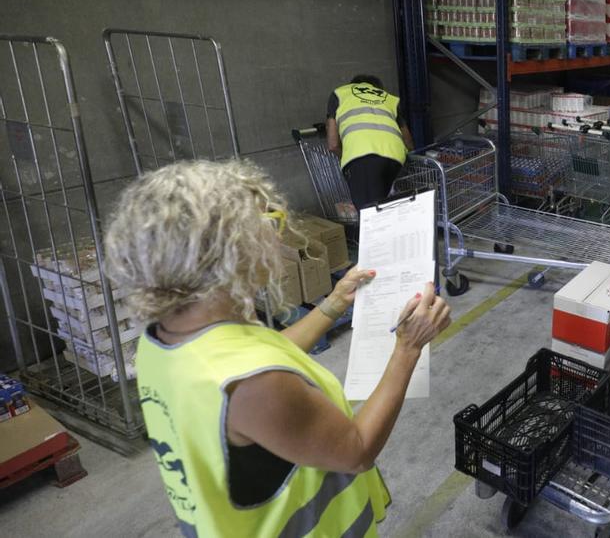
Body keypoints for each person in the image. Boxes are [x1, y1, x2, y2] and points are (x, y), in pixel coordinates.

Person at [104, 159, 450, 537]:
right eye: (269, 224)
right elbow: (356, 451)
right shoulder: (255, 385)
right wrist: (408, 348)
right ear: (227, 254)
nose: (279, 237)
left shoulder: (166, 338)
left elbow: (265, 352)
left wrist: (332, 304)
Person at [326, 74, 416, 210]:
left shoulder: (339, 94)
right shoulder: (389, 98)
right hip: (395, 158)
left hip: (362, 158)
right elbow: (408, 142)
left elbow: (333, 144)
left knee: (370, 215)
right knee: (385, 207)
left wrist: (347, 158)